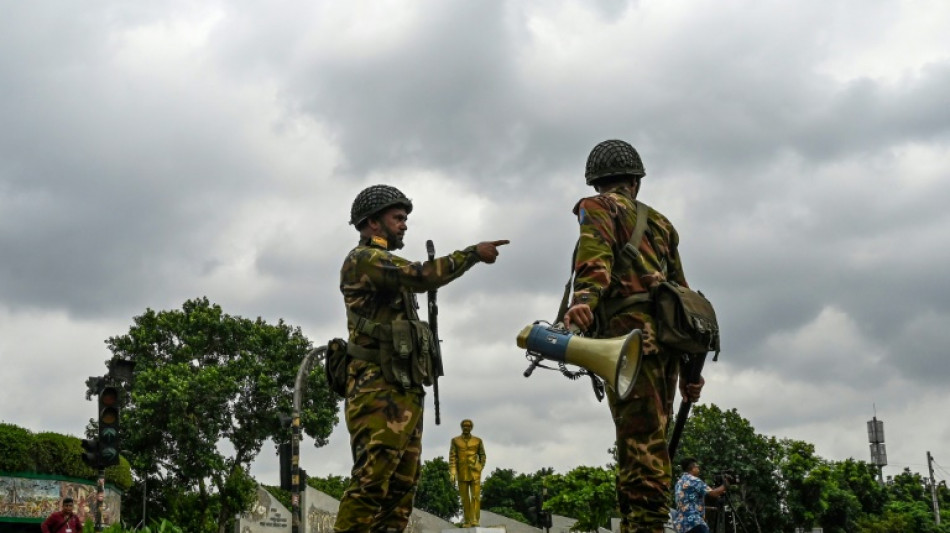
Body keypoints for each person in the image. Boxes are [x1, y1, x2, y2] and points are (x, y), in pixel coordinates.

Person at [333, 184, 509, 533]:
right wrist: (472, 253)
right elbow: (424, 275)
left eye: (405, 219)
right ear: (372, 223)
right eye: (397, 218)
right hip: (376, 390)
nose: (404, 225)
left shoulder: (386, 265)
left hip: (403, 388)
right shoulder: (364, 260)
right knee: (371, 482)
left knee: (402, 489)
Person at [562, 140, 704, 533]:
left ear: (596, 183)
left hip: (629, 345)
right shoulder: (661, 223)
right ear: (636, 182)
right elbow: (685, 296)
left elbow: (595, 258)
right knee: (650, 445)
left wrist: (584, 301)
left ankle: (646, 527)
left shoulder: (597, 207)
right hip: (668, 348)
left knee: (640, 450)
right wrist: (693, 375)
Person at [671, 458, 728, 533]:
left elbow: (687, 505)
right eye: (697, 467)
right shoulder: (694, 480)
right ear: (693, 468)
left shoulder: (679, 483)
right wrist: (726, 484)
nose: (698, 469)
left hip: (681, 526)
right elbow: (714, 493)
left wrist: (711, 508)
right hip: (694, 523)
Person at [448, 419, 487, 527]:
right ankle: (467, 521)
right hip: (462, 472)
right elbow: (452, 457)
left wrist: (480, 467)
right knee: (464, 498)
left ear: (471, 427)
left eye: (468, 426)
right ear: (462, 427)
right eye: (464, 426)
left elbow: (482, 455)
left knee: (475, 497)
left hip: (475, 473)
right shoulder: (455, 441)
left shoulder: (477, 441)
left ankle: (475, 520)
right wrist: (452, 473)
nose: (466, 427)